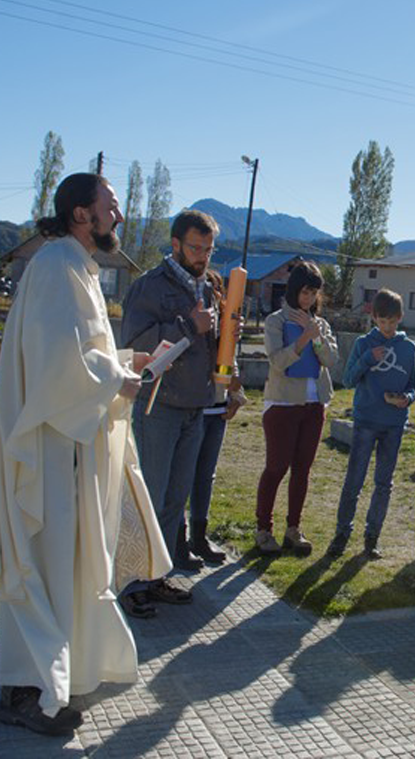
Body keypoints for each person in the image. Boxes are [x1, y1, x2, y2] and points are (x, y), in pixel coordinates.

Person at [0, 174, 170, 736]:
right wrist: (117, 377)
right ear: (81, 213)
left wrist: (125, 361)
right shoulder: (54, 267)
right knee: (44, 563)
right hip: (50, 448)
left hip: (72, 442)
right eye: (111, 207)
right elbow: (54, 361)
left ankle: (56, 669)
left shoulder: (79, 267)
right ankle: (21, 684)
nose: (118, 217)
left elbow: (83, 353)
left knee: (66, 563)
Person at [121, 209, 221, 614]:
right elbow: (134, 346)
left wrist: (223, 389)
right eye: (196, 248)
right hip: (157, 406)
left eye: (209, 249)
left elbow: (211, 347)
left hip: (196, 406)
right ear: (176, 244)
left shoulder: (208, 289)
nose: (203, 256)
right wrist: (187, 325)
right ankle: (130, 583)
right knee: (149, 495)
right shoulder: (149, 287)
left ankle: (155, 575)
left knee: (173, 500)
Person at [255, 261, 338, 557]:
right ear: (294, 290)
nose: (308, 299)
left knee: (302, 470)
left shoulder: (322, 324)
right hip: (282, 404)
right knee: (277, 467)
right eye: (304, 292)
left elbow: (330, 360)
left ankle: (294, 529)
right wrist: (302, 339)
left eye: (313, 293)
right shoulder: (276, 321)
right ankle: (264, 529)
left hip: (314, 405)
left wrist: (315, 337)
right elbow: (277, 361)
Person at [327, 289, 415, 560]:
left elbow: (413, 384)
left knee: (384, 483)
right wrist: (368, 359)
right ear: (374, 317)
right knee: (354, 479)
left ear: (400, 318)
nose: (387, 327)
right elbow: (348, 380)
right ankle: (342, 533)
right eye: (382, 321)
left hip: (394, 424)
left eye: (392, 321)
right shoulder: (364, 344)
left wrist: (407, 398)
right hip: (366, 421)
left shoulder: (408, 347)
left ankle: (372, 536)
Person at [185, 269, 248, 565]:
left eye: (218, 291)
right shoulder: (197, 325)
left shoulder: (228, 329)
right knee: (183, 476)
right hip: (193, 409)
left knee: (205, 477)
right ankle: (176, 538)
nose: (216, 296)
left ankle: (199, 537)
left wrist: (235, 395)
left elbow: (231, 365)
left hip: (217, 410)